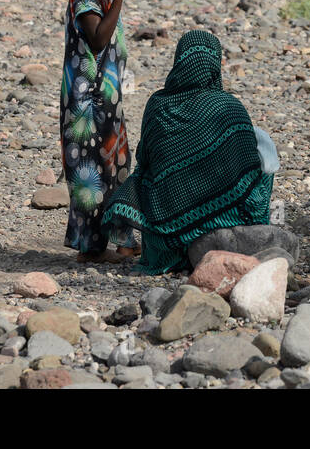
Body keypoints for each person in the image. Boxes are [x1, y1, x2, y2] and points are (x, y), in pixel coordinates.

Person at [104, 30, 274, 274]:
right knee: (264, 156)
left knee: (142, 175)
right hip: (225, 219)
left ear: (179, 61)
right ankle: (244, 231)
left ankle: (170, 251)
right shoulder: (229, 106)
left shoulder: (158, 103)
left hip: (165, 226)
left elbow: (145, 159)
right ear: (215, 64)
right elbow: (247, 167)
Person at [61, 0, 141, 263]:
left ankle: (123, 241)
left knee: (116, 165)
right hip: (86, 100)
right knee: (88, 171)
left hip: (104, 97)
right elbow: (95, 40)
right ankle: (89, 248)